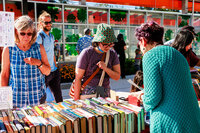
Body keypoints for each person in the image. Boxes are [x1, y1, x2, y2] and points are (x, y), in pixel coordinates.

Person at [133, 21, 200, 132]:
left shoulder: (150, 56)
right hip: (191, 119)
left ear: (143, 41)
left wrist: (141, 97)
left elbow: (152, 99)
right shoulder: (177, 54)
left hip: (171, 122)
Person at [0, 16, 51, 108]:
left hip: (38, 98)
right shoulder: (9, 49)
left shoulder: (39, 48)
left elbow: (47, 71)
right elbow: (4, 75)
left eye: (29, 33)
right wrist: (4, 102)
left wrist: (38, 63)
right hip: (16, 100)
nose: (26, 37)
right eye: (22, 33)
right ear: (16, 32)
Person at [74, 23, 120, 100]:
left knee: (103, 111)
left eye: (111, 44)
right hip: (88, 90)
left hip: (103, 89)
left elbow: (117, 76)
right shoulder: (87, 53)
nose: (108, 47)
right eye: (105, 44)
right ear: (98, 42)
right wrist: (76, 100)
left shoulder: (112, 53)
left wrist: (106, 68)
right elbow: (78, 78)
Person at [36, 11, 63, 103]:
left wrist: (55, 67)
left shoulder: (51, 36)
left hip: (54, 71)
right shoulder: (39, 37)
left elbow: (51, 53)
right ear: (40, 23)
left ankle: (62, 115)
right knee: (41, 99)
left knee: (59, 98)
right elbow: (37, 55)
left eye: (50, 22)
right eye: (46, 23)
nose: (49, 24)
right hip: (45, 73)